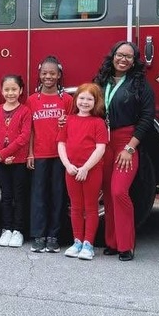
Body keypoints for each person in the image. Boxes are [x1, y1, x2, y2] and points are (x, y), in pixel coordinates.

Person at [94, 41, 156, 261]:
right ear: (112, 56)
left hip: (125, 142)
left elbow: (148, 117)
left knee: (119, 191)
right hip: (103, 142)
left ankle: (126, 245)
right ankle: (112, 243)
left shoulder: (140, 84)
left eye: (129, 57)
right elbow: (88, 106)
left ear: (134, 61)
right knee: (108, 195)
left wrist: (130, 148)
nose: (123, 59)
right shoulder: (101, 81)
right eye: (120, 55)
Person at [27, 56, 74, 253]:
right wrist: (30, 154)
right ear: (39, 75)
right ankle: (39, 235)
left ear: (59, 75)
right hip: (39, 154)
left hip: (60, 156)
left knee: (58, 195)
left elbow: (72, 128)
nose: (48, 77)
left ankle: (54, 236)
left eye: (52, 73)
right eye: (45, 73)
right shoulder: (31, 100)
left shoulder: (67, 100)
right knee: (38, 196)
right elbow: (29, 130)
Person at [57, 83, 108, 260]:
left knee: (91, 207)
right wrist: (67, 165)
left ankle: (88, 244)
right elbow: (61, 144)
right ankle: (77, 241)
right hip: (71, 170)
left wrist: (86, 168)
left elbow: (100, 148)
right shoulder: (68, 120)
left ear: (96, 102)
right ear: (76, 99)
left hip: (91, 171)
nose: (85, 102)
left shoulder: (98, 123)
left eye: (89, 99)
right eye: (82, 98)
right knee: (76, 207)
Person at [0, 75, 32, 249]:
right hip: (2, 160)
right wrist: (0, 153)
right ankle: (6, 228)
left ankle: (18, 230)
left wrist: (4, 153)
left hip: (18, 160)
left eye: (14, 89)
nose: (10, 93)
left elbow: (24, 137)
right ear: (1, 90)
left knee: (19, 196)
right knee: (5, 196)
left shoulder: (25, 111)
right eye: (7, 89)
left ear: (20, 90)